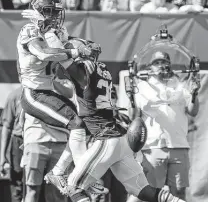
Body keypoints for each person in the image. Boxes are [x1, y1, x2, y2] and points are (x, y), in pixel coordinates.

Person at [44, 38, 186, 202]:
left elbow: (61, 57)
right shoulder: (103, 71)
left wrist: (51, 36)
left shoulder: (84, 74)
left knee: (73, 186)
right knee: (144, 191)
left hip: (106, 140)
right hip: (120, 141)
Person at [17, 0, 97, 185]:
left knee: (81, 126)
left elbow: (68, 45)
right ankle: (81, 176)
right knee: (76, 124)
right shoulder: (29, 31)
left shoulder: (57, 31)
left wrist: (85, 45)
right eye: (48, 11)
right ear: (37, 12)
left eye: (56, 12)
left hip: (48, 91)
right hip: (33, 94)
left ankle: (60, 172)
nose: (53, 16)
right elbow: (45, 53)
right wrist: (77, 50)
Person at [127, 51, 200, 202]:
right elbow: (133, 115)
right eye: (157, 63)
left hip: (179, 145)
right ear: (150, 67)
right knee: (152, 193)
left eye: (164, 62)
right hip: (153, 147)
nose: (161, 65)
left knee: (179, 193)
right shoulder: (142, 86)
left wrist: (194, 94)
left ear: (169, 65)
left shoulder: (180, 85)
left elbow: (193, 111)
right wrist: (131, 97)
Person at [0, 86, 23, 202]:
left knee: (39, 186)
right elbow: (7, 127)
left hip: (41, 143)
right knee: (17, 185)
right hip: (19, 143)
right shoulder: (15, 95)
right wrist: (2, 156)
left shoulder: (48, 92)